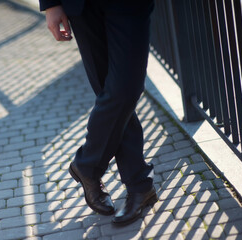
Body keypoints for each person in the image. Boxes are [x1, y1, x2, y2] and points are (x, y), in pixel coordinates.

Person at [39, 0, 157, 226]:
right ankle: (140, 185)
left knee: (125, 88)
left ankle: (86, 165)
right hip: (81, 5)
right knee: (109, 94)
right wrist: (51, 4)